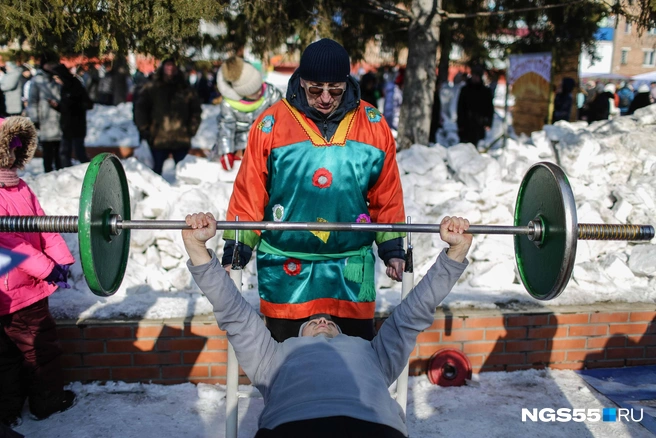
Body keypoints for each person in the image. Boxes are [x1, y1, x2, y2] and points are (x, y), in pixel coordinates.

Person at [183, 213, 471, 438]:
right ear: (293, 337)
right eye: (313, 322)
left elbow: (413, 313)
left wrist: (454, 254)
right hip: (292, 427)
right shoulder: (271, 357)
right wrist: (197, 248)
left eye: (327, 322)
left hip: (373, 427)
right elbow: (233, 312)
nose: (322, 319)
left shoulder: (374, 353)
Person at [222, 38, 406, 342]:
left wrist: (393, 249)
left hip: (350, 268)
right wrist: (236, 250)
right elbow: (249, 191)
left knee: (354, 364)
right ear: (301, 82)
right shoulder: (270, 124)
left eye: (335, 90)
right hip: (286, 268)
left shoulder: (373, 125)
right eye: (315, 89)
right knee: (287, 366)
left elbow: (387, 193)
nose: (324, 98)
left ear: (347, 83)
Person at [0, 116, 76, 430]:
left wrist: (62, 260)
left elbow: (43, 225)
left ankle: (8, 409)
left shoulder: (21, 187)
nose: (16, 156)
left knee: (10, 355)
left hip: (25, 285)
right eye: (9, 149)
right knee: (39, 349)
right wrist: (46, 269)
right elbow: (8, 243)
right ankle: (45, 401)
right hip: (18, 289)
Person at [212, 56, 282, 170]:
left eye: (260, 86)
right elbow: (226, 128)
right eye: (254, 92)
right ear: (243, 93)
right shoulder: (229, 104)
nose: (260, 92)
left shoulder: (270, 92)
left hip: (265, 143)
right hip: (239, 145)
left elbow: (282, 115)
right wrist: (226, 151)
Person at [134, 58, 202, 175]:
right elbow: (140, 109)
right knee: (154, 173)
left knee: (184, 174)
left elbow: (196, 110)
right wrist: (145, 129)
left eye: (173, 66)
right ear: (163, 68)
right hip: (158, 138)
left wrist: (191, 129)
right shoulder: (152, 87)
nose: (170, 69)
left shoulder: (185, 88)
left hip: (181, 137)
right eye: (167, 66)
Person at [42, 63, 93, 166]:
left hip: (77, 125)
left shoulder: (76, 86)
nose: (56, 81)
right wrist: (57, 106)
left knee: (79, 152)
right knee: (64, 153)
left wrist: (73, 104)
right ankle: (67, 173)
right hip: (66, 126)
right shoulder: (64, 88)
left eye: (57, 78)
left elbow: (87, 104)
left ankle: (92, 172)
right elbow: (65, 108)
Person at [27, 53, 63, 173]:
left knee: (58, 148)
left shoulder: (57, 79)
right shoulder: (37, 81)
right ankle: (48, 172)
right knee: (47, 149)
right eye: (49, 64)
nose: (52, 66)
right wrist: (35, 119)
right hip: (45, 119)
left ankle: (60, 171)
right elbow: (32, 101)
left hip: (58, 119)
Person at [457, 66, 494, 146]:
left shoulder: (485, 92)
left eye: (477, 76)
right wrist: (460, 123)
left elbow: (489, 108)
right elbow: (460, 107)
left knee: (476, 146)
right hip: (466, 124)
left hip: (479, 124)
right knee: (463, 147)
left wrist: (488, 122)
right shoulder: (465, 90)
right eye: (474, 75)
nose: (475, 78)